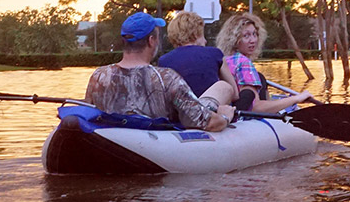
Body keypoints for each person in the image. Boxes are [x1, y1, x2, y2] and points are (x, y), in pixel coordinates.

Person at [84, 12, 236, 132]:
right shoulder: (166, 78)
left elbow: (88, 114)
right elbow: (208, 122)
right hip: (157, 144)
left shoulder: (99, 76)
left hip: (117, 138)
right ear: (151, 41)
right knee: (223, 87)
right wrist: (224, 116)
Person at [216, 11, 312, 114]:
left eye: (254, 34)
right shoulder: (243, 62)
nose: (253, 40)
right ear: (234, 39)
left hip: (229, 113)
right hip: (244, 119)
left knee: (260, 77)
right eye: (246, 36)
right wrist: (297, 98)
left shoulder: (224, 59)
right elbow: (255, 107)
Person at [159, 10, 239, 98]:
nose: (205, 41)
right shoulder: (215, 54)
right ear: (196, 34)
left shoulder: (163, 61)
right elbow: (234, 94)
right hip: (209, 108)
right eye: (202, 35)